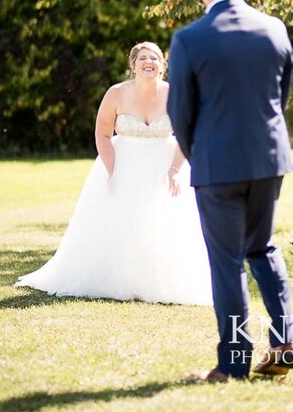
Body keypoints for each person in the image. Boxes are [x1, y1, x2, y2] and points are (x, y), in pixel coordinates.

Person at [167, 0, 293, 382]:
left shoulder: (189, 38)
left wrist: (199, 151)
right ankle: (284, 344)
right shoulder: (275, 29)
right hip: (268, 159)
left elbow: (180, 113)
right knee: (262, 248)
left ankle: (233, 365)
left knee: (227, 261)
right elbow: (281, 95)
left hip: (217, 165)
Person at [15, 41, 213, 306]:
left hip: (165, 167)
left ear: (162, 65)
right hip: (123, 164)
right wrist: (112, 170)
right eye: (142, 58)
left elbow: (188, 134)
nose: (148, 62)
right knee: (121, 223)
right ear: (133, 65)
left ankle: (157, 281)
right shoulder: (116, 93)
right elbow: (103, 134)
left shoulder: (175, 94)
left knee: (163, 222)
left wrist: (175, 170)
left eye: (154, 58)